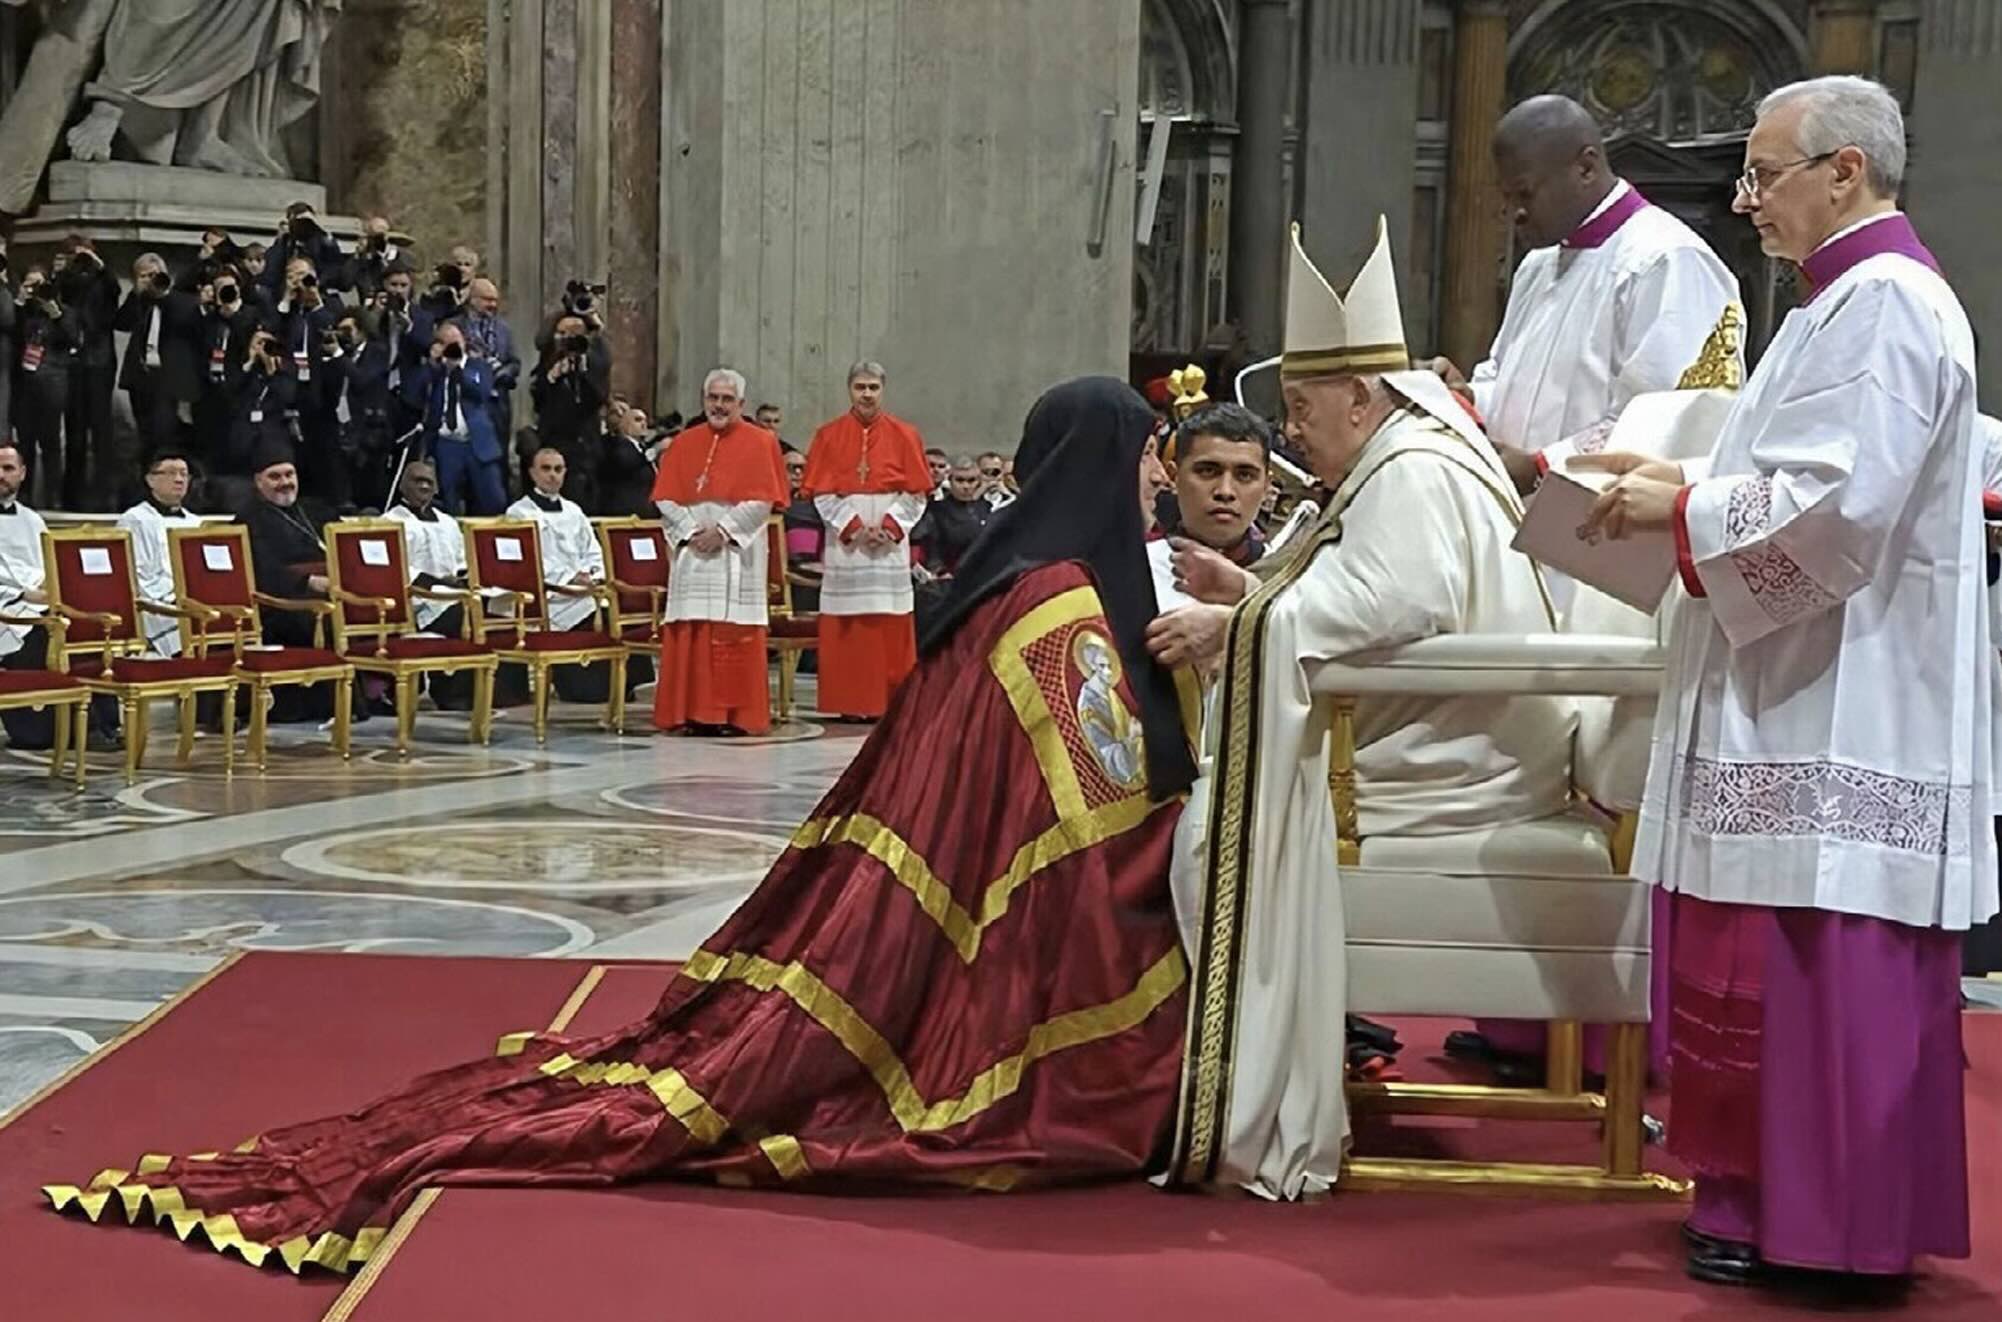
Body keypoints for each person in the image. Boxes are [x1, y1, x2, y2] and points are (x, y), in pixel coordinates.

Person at [43, 378, 1209, 1274]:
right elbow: (1093, 812)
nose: (1157, 474)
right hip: (1006, 960)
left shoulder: (1023, 576)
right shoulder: (1052, 599)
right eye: (1152, 454)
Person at [1574, 76, 1992, 1290]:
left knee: (1821, 966)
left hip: (1847, 702)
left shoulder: (1889, 301)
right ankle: (1758, 1201)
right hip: (1796, 685)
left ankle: (1833, 1230)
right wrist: (1674, 481)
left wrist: (1681, 513)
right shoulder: (1832, 302)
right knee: (1756, 964)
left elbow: (1839, 506)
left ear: (1844, 171)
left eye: (1762, 173)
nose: (1744, 198)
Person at [1148, 220, 1570, 1201]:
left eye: (1302, 408)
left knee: (1210, 831)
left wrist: (1232, 629)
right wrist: (1250, 598)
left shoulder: (1412, 467)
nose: (1293, 430)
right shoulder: (1407, 455)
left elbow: (1390, 604)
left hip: (1456, 770)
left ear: (1360, 396)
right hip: (1459, 736)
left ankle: (1247, 1091)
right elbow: (1360, 596)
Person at [1430, 95, 1740, 496]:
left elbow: (1673, 420)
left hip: (1607, 518)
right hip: (1519, 509)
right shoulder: (1538, 264)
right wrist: (1469, 396)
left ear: (1586, 168)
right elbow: (1509, 382)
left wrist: (1542, 467)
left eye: (1524, 194)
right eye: (1506, 198)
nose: (1514, 213)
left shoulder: (1667, 260)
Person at [651, 368, 787, 735]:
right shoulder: (684, 442)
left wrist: (724, 531)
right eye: (713, 398)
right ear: (703, 400)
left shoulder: (761, 443)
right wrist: (692, 530)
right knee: (692, 628)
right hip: (693, 551)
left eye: (727, 399)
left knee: (733, 631)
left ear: (741, 404)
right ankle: (691, 713)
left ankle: (734, 716)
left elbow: (763, 500)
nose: (719, 405)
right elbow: (664, 496)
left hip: (736, 553)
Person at [801, 361, 932, 721]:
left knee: (888, 621)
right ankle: (852, 703)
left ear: (882, 390)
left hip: (888, 547)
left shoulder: (905, 434)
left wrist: (889, 526)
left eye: (873, 387)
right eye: (860, 387)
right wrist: (855, 527)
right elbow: (822, 493)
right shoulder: (828, 435)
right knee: (849, 625)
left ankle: (890, 702)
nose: (867, 394)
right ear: (850, 390)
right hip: (848, 546)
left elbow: (917, 493)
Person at [236, 441, 341, 721]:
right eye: (275, 476)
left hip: (330, 594)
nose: (285, 483)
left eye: (289, 474)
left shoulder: (316, 511)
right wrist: (308, 581)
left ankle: (371, 694)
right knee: (325, 619)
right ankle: (328, 704)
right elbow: (259, 571)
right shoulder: (247, 521)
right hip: (279, 606)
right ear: (258, 482)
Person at [1148, 403, 1271, 612]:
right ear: (1173, 476)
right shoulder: (1135, 571)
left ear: (1266, 487)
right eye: (1207, 471)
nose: (1225, 491)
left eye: (1244, 475)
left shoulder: (1298, 585)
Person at [383, 459, 479, 710]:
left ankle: (481, 693)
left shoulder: (448, 522)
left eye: (429, 482)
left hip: (452, 594)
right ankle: (451, 694)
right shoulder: (390, 522)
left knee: (486, 608)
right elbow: (396, 568)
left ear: (437, 488)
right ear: (402, 485)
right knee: (463, 614)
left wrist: (463, 579)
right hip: (416, 600)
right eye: (417, 481)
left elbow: (461, 561)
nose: (424, 486)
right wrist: (438, 584)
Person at [412, 322, 507, 517]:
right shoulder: (435, 372)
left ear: (464, 342)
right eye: (448, 343)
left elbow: (481, 392)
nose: (454, 347)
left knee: (494, 500)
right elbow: (414, 393)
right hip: (447, 444)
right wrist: (432, 364)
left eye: (457, 341)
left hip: (477, 443)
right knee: (449, 501)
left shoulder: (478, 366)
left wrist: (458, 371)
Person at [54, 237, 120, 510]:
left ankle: (105, 495)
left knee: (102, 430)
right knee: (75, 431)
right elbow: (58, 295)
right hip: (73, 362)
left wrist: (99, 266)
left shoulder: (103, 281)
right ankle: (73, 496)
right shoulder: (67, 280)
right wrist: (66, 268)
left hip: (99, 361)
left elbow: (114, 292)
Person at [115, 450, 203, 656]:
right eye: (171, 473)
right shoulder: (135, 519)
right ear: (150, 480)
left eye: (184, 473)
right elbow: (135, 575)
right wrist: (176, 595)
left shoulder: (195, 522)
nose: (179, 479)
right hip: (154, 603)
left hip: (193, 598)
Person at [530, 313, 612, 512]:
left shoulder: (593, 364)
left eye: (575, 333)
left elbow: (599, 398)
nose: (568, 339)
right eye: (562, 333)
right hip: (557, 442)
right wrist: (553, 376)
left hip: (586, 444)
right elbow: (538, 401)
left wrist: (583, 373)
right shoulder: (546, 362)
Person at [12, 265, 79, 511]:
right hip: (25, 384)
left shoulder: (64, 311)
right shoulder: (23, 312)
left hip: (53, 382)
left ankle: (53, 498)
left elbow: (73, 339)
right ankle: (23, 497)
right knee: (25, 443)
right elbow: (11, 335)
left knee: (51, 443)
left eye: (39, 284)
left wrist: (56, 315)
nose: (36, 290)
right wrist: (20, 302)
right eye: (31, 285)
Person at [911, 457, 992, 577]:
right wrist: (940, 571)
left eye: (971, 480)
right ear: (950, 480)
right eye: (960, 480)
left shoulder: (987, 508)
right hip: (947, 577)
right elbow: (929, 546)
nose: (966, 486)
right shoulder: (935, 510)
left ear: (978, 482)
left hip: (983, 575)